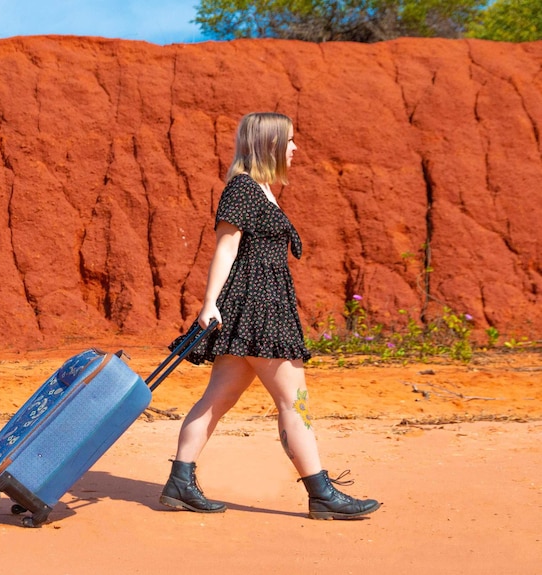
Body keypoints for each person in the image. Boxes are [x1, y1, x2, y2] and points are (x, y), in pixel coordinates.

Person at [159, 112, 381, 520]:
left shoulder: (261, 188)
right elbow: (225, 248)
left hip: (256, 307)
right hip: (257, 310)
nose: (295, 148)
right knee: (295, 402)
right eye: (290, 141)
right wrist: (209, 304)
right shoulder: (243, 189)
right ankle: (321, 493)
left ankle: (179, 482)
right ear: (270, 144)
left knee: (217, 399)